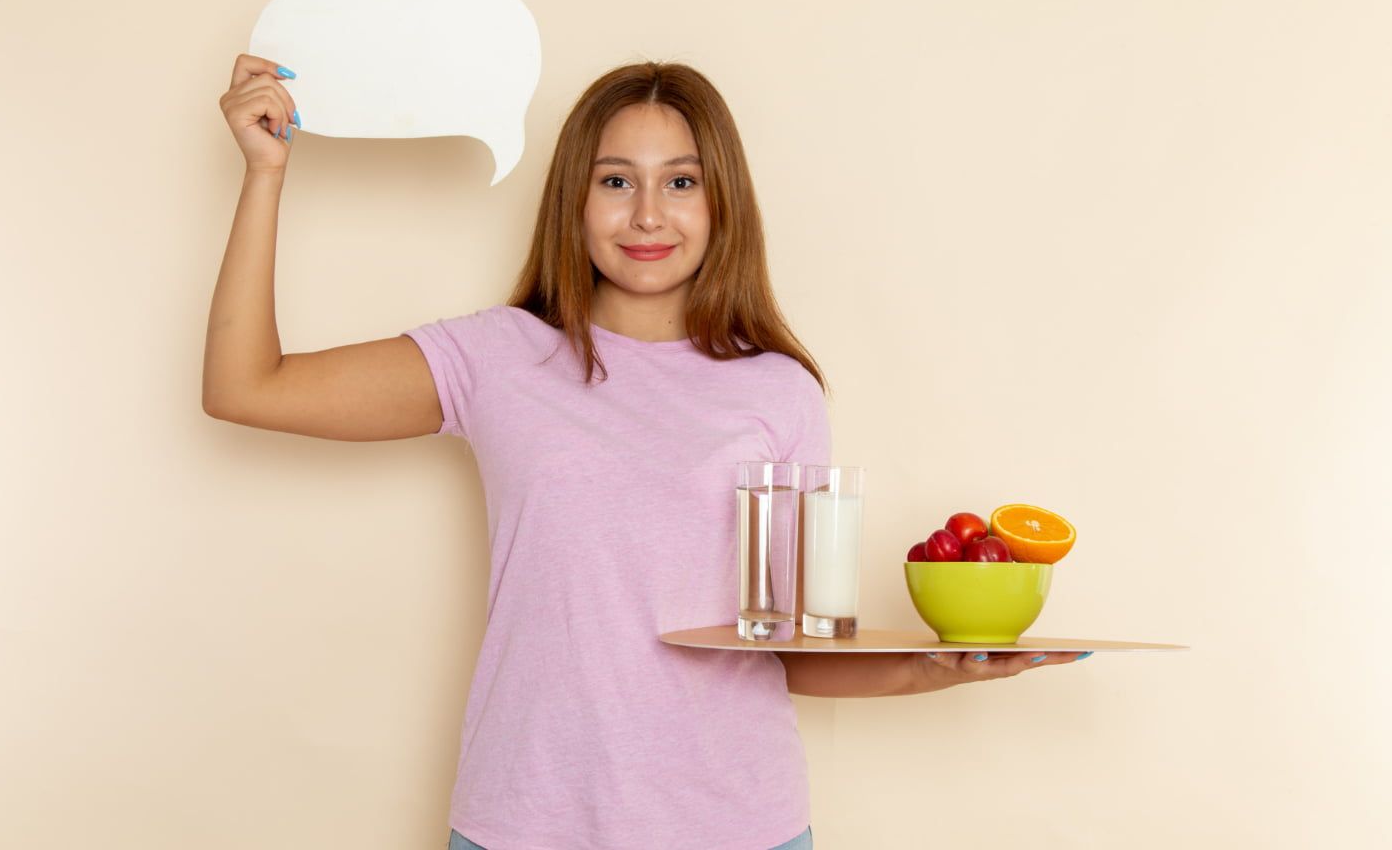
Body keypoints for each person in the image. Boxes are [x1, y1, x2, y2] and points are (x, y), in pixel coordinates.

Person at [205, 55, 1087, 850]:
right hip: (525, 823)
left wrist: (938, 665)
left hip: (738, 827)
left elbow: (789, 645)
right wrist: (266, 174)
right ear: (575, 201)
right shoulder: (498, 358)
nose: (648, 215)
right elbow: (247, 387)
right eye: (617, 180)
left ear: (721, 201)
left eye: (682, 182)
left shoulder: (779, 390)